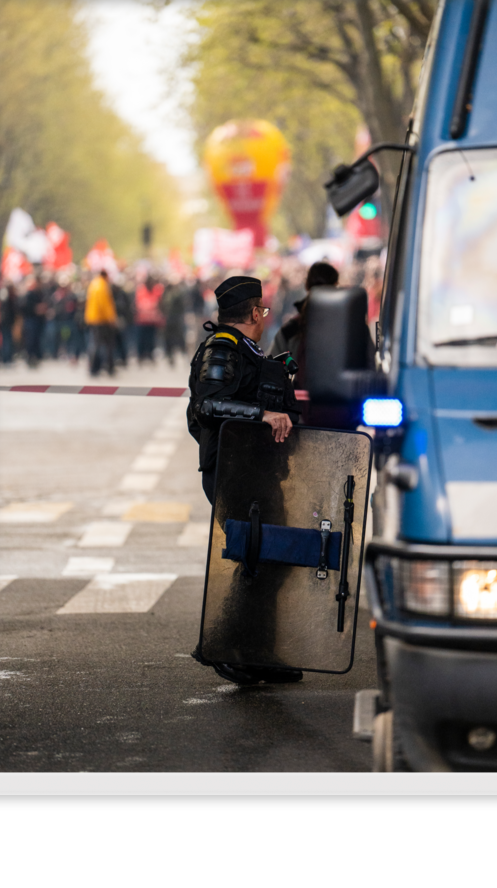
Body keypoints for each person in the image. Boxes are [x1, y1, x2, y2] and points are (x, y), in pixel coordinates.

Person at [186, 275, 304, 686]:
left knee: (272, 557)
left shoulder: (250, 351)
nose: (264, 317)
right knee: (258, 558)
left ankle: (257, 652)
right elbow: (207, 405)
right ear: (254, 313)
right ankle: (223, 645)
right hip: (233, 473)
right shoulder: (221, 348)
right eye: (263, 310)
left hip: (258, 470)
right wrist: (262, 416)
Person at [85, 269, 118, 376]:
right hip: (102, 319)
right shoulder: (102, 286)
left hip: (93, 318)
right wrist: (112, 318)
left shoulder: (93, 284)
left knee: (94, 343)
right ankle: (106, 367)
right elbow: (105, 304)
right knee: (105, 345)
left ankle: (94, 367)